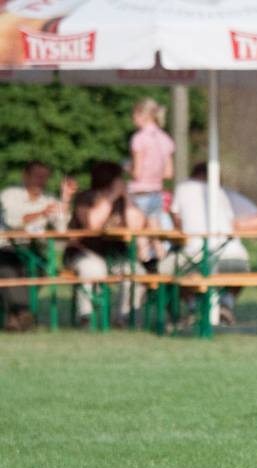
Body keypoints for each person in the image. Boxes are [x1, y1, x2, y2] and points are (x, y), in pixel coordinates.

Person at [165, 163, 255, 325]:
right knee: (237, 269)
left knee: (166, 270)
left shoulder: (183, 189)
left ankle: (193, 307)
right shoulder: (221, 193)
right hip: (237, 257)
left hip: (199, 257)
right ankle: (226, 304)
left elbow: (177, 223)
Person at [64, 162, 147, 327]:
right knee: (93, 269)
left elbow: (136, 227)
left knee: (137, 274)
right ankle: (87, 317)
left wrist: (127, 198)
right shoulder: (86, 198)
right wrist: (112, 196)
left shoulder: (123, 200)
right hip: (83, 251)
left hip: (115, 254)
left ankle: (123, 317)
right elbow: (93, 224)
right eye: (120, 178)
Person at [1, 161, 75, 331]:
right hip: (6, 247)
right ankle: (23, 313)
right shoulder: (10, 195)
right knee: (8, 270)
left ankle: (16, 318)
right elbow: (13, 222)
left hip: (33, 250)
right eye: (37, 176)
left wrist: (65, 199)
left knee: (40, 269)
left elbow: (61, 229)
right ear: (25, 176)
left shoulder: (49, 199)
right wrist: (42, 213)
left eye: (44, 177)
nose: (41, 181)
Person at [128, 97, 175, 231]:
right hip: (156, 194)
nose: (133, 118)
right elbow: (168, 173)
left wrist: (127, 168)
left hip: (139, 193)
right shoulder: (166, 139)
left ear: (144, 115)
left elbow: (137, 173)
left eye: (135, 114)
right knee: (154, 233)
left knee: (137, 234)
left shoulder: (139, 138)